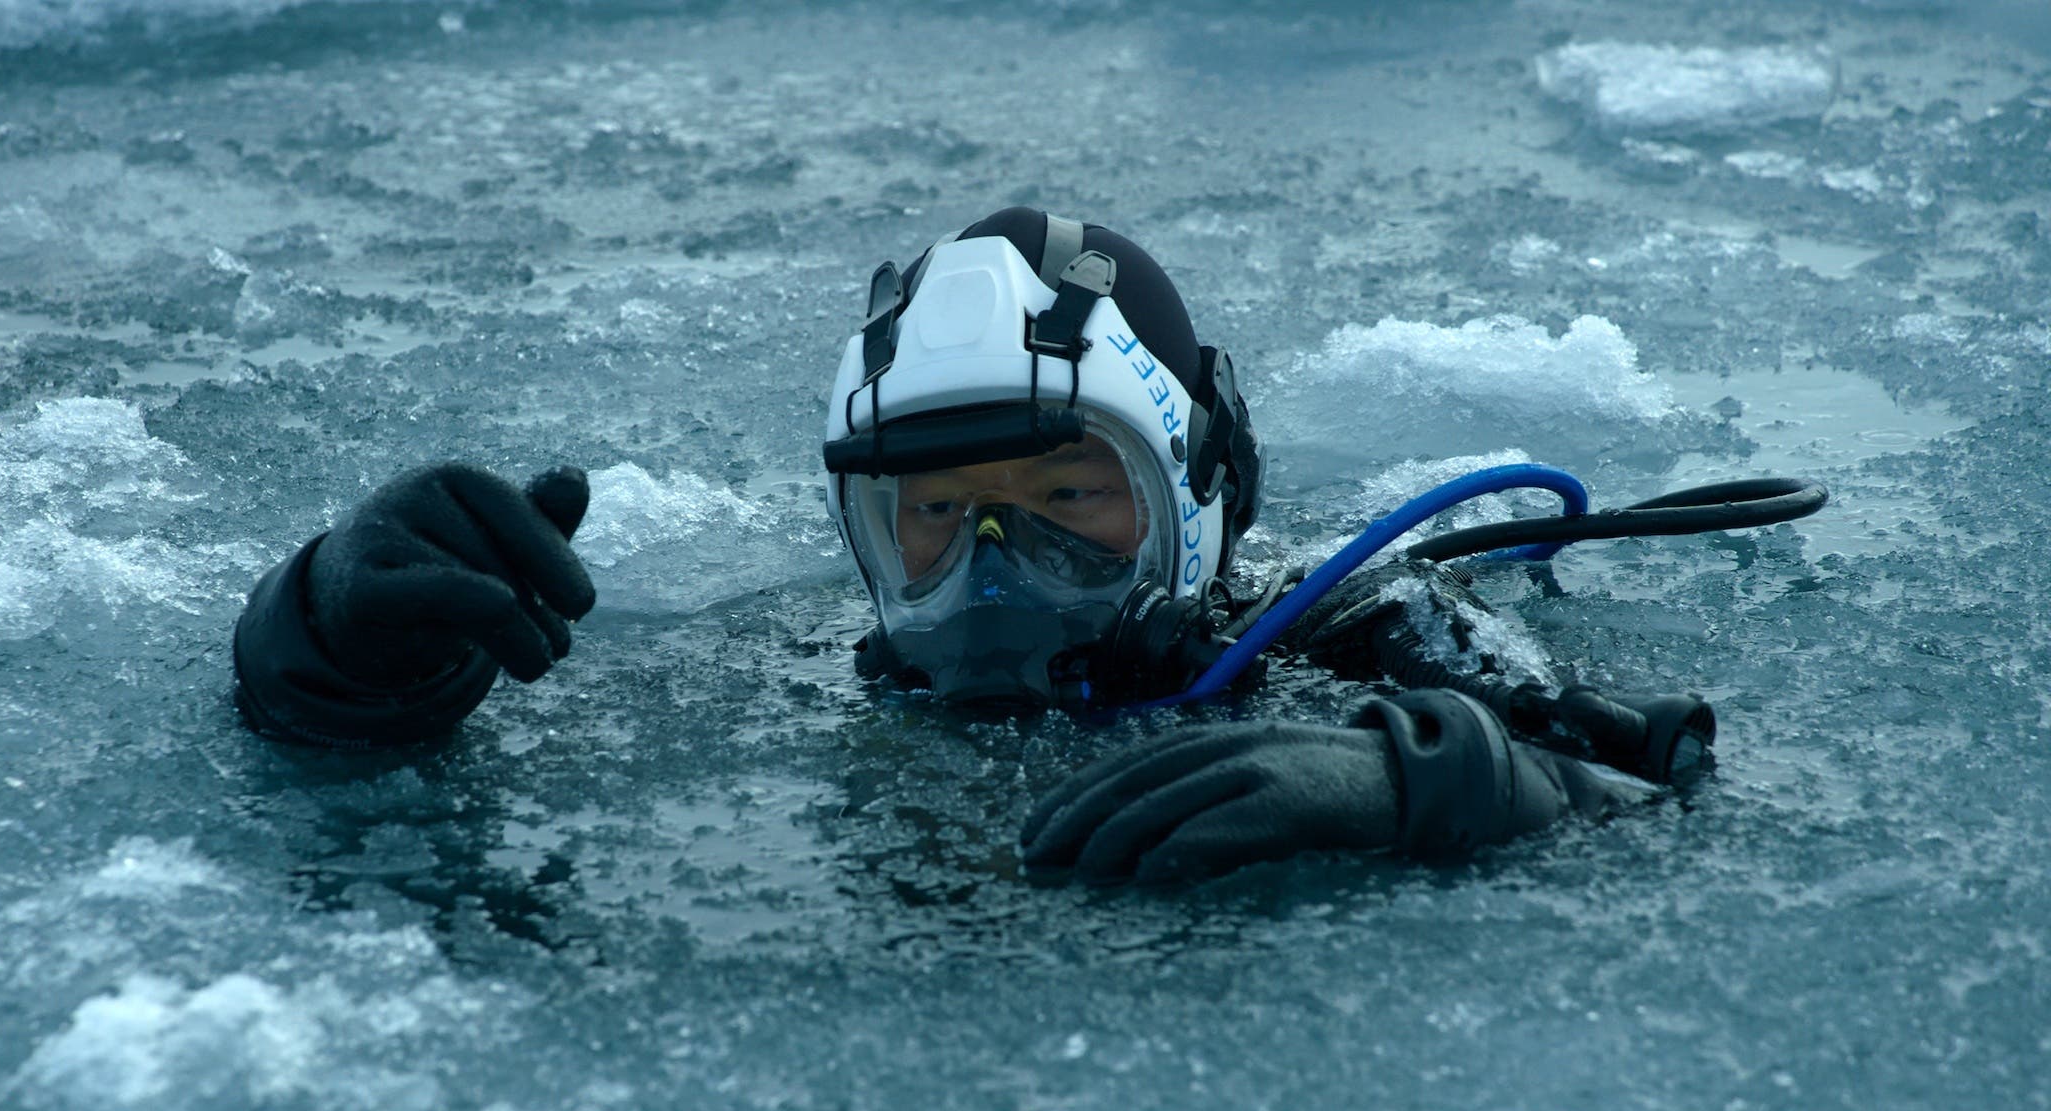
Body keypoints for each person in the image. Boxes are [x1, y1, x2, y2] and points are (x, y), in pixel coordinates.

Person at [234, 208, 1716, 883]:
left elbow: (1670, 802)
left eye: (1070, 500)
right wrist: (332, 647)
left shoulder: (1362, 634)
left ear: (1203, 492)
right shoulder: (809, 677)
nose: (990, 569)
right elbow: (376, 792)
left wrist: (1427, 777)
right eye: (935, 517)